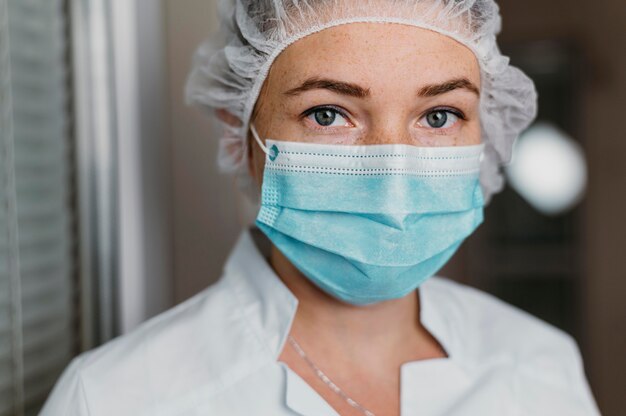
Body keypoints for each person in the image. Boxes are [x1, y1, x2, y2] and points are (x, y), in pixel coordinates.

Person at [41, 0, 601, 415]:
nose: (393, 173)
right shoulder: (115, 398)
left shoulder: (540, 366)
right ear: (240, 130)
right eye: (329, 113)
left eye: (438, 116)